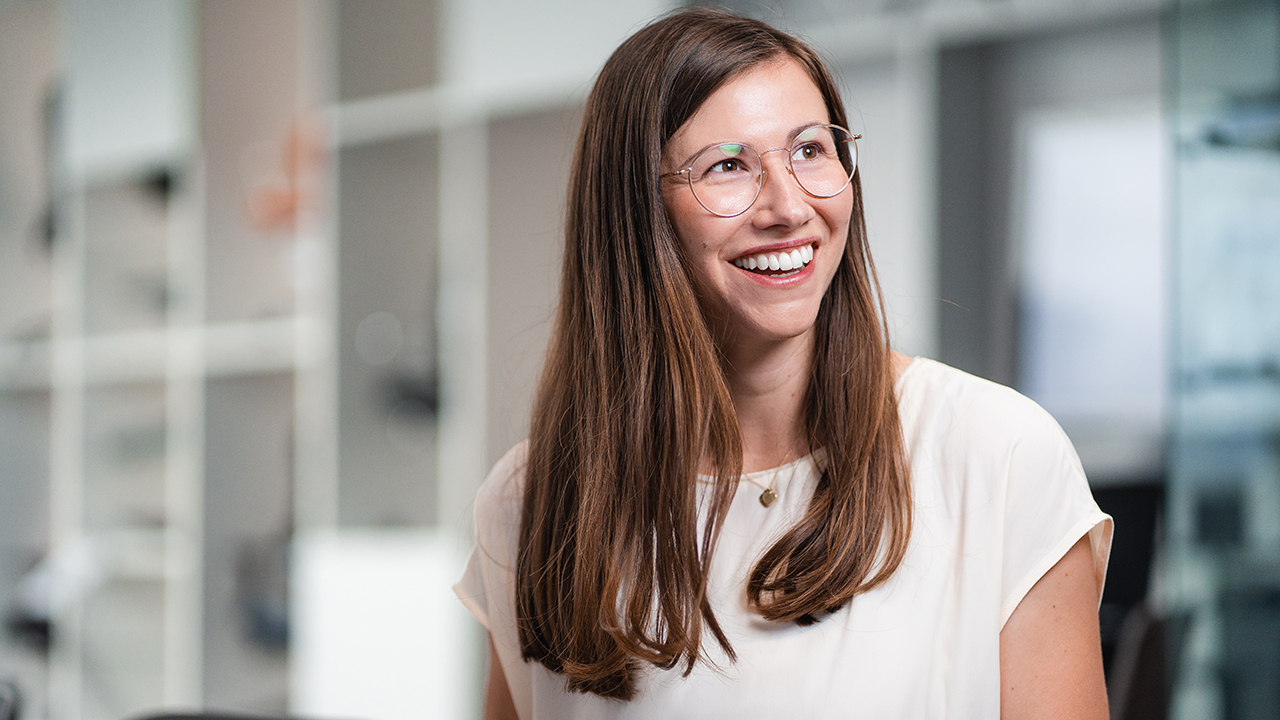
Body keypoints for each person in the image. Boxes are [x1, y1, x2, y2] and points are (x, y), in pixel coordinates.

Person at [454, 8, 1113, 719]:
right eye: (729, 166)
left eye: (810, 150)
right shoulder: (532, 501)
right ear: (636, 211)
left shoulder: (1000, 454)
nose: (789, 206)